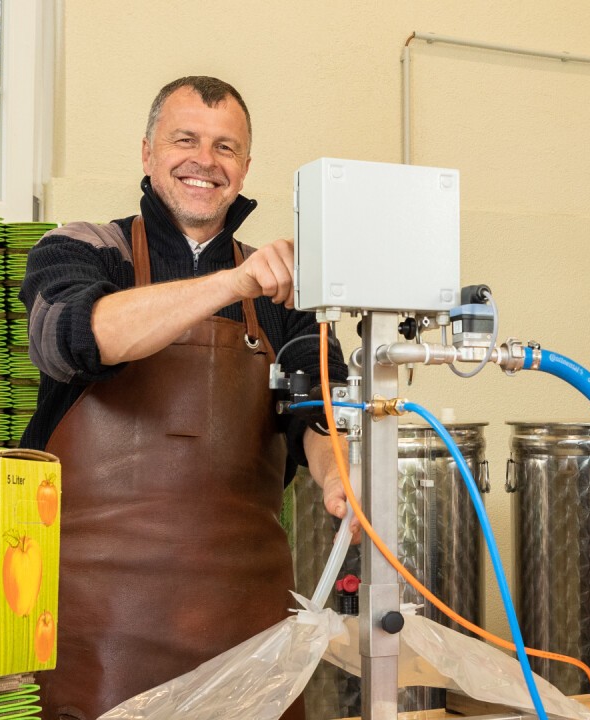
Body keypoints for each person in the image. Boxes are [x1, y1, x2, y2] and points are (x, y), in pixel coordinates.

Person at [20, 76, 354, 720]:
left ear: (246, 166)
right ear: (147, 153)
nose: (205, 160)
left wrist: (338, 476)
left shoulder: (284, 291)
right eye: (185, 140)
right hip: (92, 634)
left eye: (226, 147)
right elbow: (73, 338)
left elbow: (318, 409)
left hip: (246, 636)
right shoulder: (84, 247)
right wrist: (233, 282)